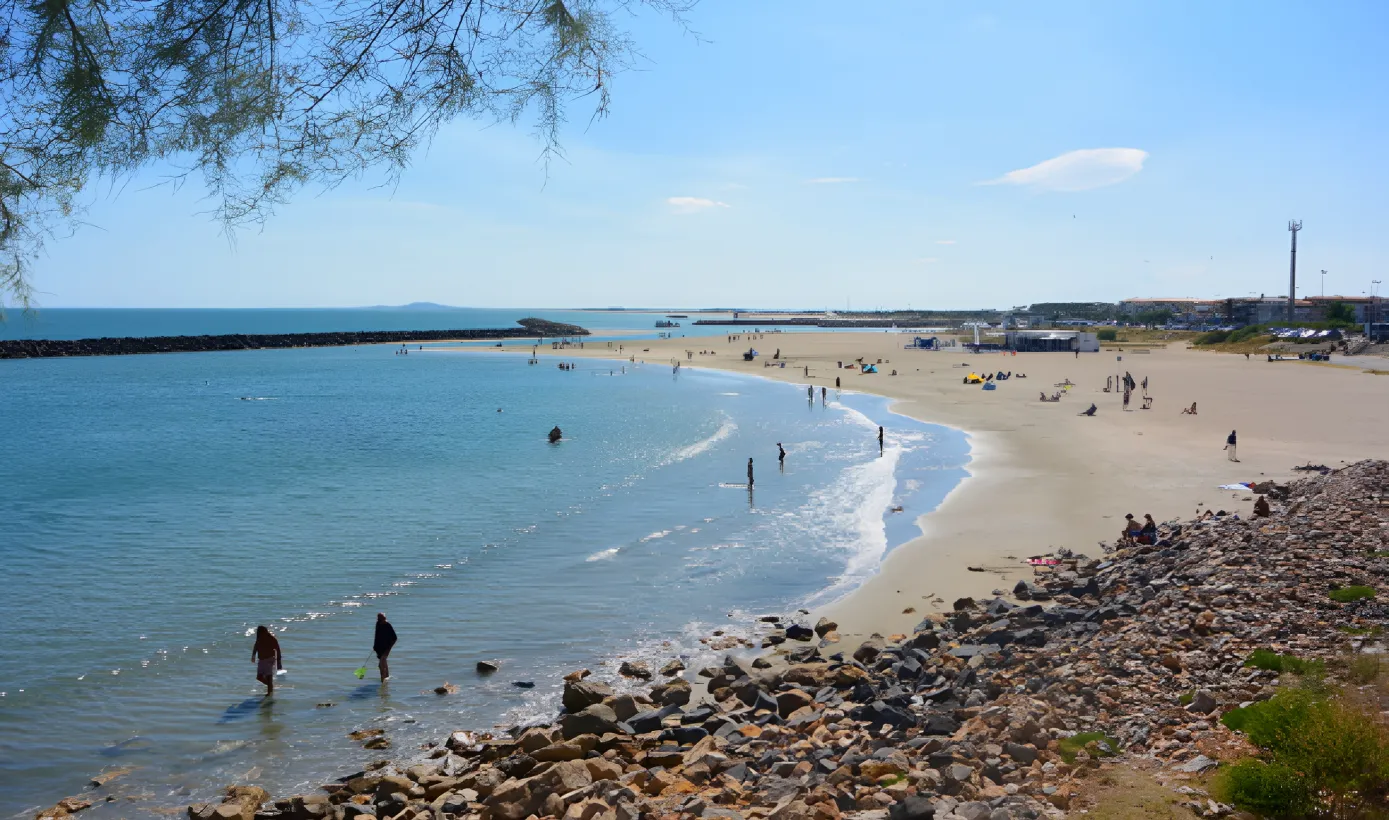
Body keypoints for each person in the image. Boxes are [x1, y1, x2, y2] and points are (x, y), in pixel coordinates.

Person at [251, 626, 282, 695]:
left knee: (268, 677)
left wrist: (279, 661)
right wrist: (253, 655)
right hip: (261, 660)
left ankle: (269, 694)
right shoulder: (259, 639)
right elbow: (255, 647)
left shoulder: (271, 639)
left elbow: (278, 649)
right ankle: (270, 687)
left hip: (269, 660)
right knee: (259, 677)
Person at [374, 613, 397, 681]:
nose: (383, 620)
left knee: (381, 664)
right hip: (379, 647)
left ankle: (383, 680)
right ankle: (387, 677)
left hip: (387, 647)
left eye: (383, 619)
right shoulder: (378, 624)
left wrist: (389, 648)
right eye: (380, 619)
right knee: (382, 663)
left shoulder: (388, 625)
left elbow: (395, 638)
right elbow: (376, 635)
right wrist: (375, 645)